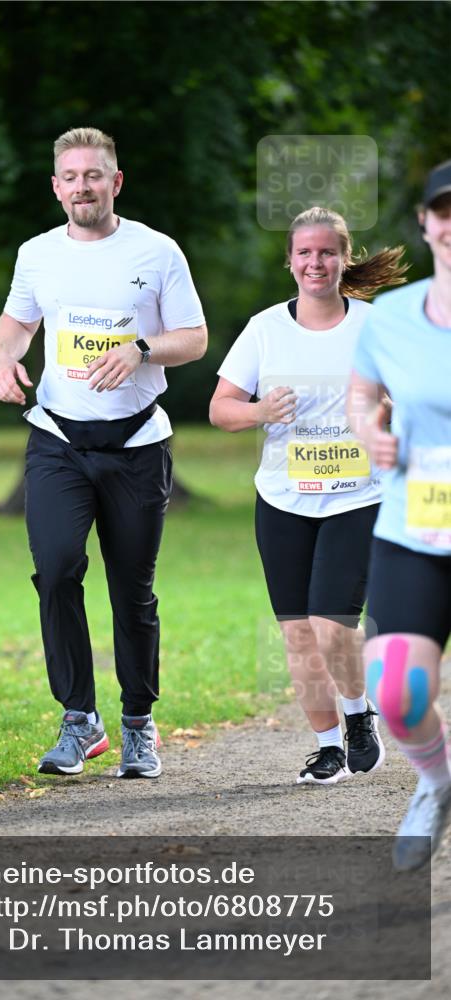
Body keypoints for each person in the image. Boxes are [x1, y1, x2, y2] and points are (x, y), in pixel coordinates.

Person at [0, 127, 207, 780]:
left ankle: (139, 724)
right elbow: (19, 320)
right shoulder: (36, 254)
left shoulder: (157, 251)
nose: (82, 186)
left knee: (130, 591)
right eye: (70, 176)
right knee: (55, 571)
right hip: (57, 440)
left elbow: (193, 338)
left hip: (137, 444)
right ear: (56, 188)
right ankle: (78, 719)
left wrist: (139, 349)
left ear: (116, 182)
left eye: (94, 175)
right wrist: (3, 357)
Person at [210, 206, 408, 785]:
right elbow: (221, 409)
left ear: (344, 260)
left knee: (330, 625)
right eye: (304, 253)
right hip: (282, 500)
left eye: (326, 252)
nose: (315, 262)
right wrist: (259, 411)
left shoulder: (375, 326)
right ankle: (327, 747)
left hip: (356, 496)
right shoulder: (265, 328)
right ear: (290, 261)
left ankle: (357, 714)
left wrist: (387, 411)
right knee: (297, 631)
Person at [348, 160, 451, 869]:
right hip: (415, 524)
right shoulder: (388, 316)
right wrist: (368, 430)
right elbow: (360, 395)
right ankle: (436, 782)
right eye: (444, 211)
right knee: (395, 689)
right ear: (424, 221)